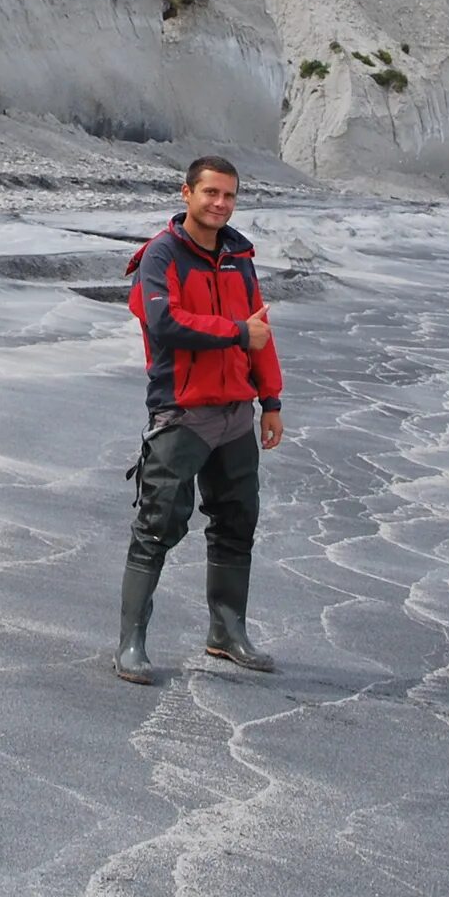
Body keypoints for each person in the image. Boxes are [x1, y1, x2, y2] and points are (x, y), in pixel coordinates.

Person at [115, 153, 285, 685]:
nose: (220, 204)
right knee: (158, 523)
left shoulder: (240, 255)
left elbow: (261, 331)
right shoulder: (160, 256)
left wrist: (271, 401)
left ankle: (227, 633)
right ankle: (131, 645)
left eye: (229, 195)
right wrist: (236, 332)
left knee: (238, 522)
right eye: (210, 193)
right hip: (182, 413)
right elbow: (164, 322)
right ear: (186, 193)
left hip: (236, 413)